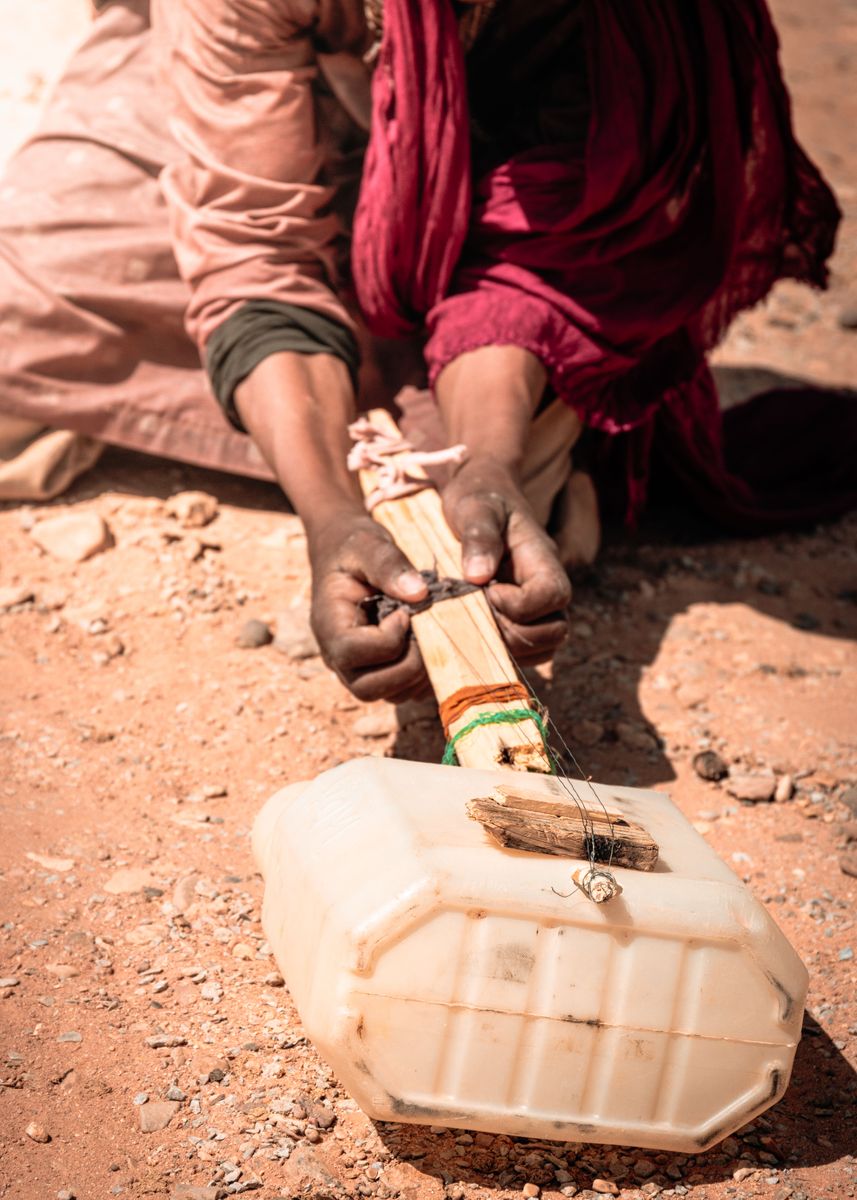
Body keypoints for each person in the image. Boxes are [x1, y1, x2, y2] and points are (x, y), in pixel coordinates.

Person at [0, 0, 851, 702]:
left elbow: (543, 263)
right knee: (29, 298)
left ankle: (524, 447)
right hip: (237, 104)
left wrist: (489, 459)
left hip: (483, 177)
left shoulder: (641, 21)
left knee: (465, 507)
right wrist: (330, 516)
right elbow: (255, 255)